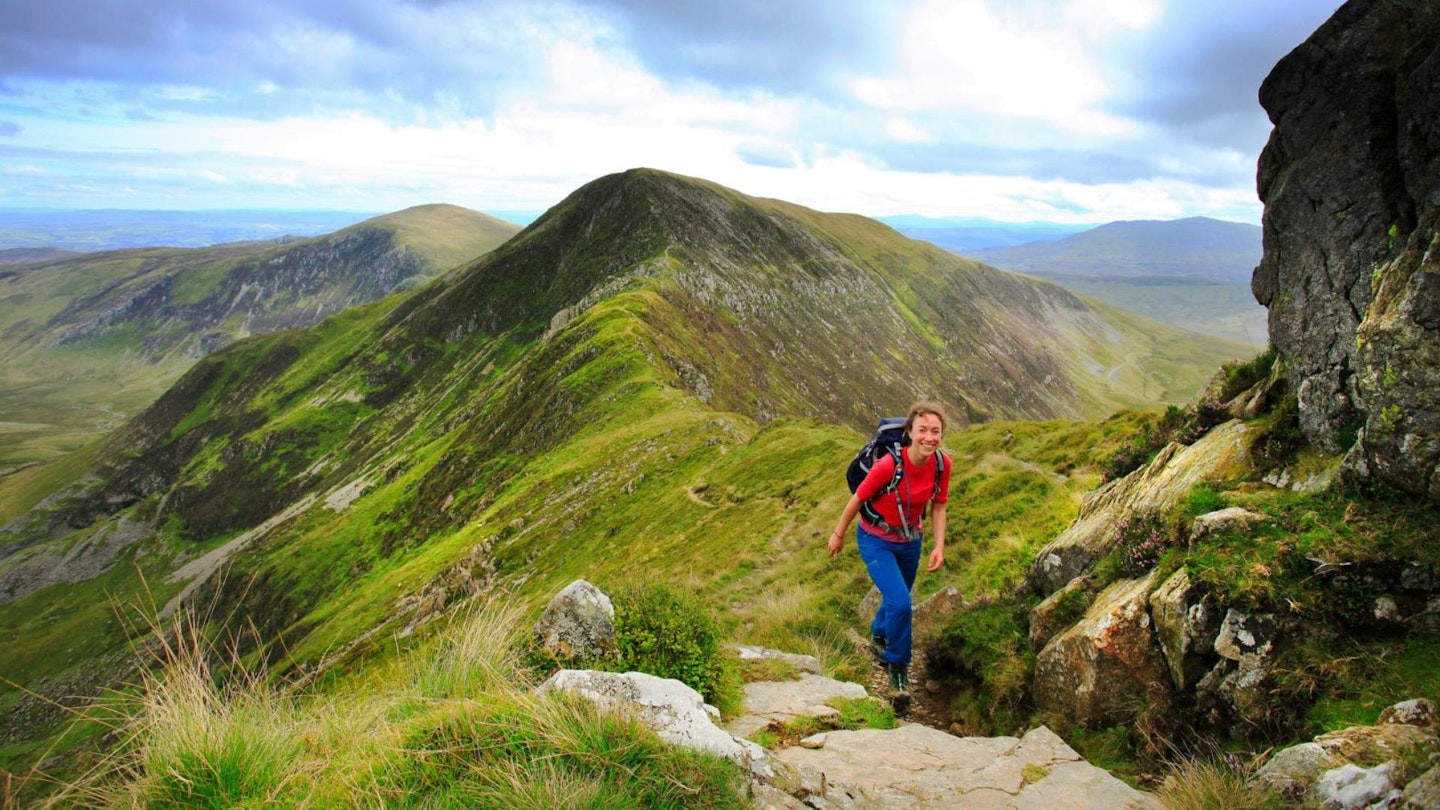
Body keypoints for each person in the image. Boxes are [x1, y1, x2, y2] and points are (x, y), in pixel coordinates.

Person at [827, 402, 950, 695]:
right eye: (922, 430)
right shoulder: (888, 465)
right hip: (875, 540)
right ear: (909, 432)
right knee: (901, 603)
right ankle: (897, 667)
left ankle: (880, 634)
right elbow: (857, 499)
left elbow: (939, 505)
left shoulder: (942, 465)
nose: (929, 437)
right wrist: (838, 534)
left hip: (910, 541)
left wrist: (939, 546)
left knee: (899, 598)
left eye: (936, 431)